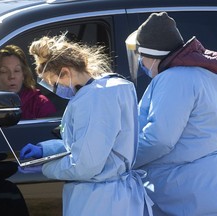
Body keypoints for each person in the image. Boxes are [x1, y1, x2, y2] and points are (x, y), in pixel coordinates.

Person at [125, 12, 217, 215]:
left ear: (152, 54)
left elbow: (160, 139)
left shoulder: (174, 79)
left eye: (141, 56)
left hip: (191, 188)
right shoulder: (199, 72)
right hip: (206, 185)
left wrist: (124, 161)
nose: (140, 62)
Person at [18, 33, 153, 216]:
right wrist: (46, 150)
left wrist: (45, 168)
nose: (57, 90)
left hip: (100, 201)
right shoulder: (111, 87)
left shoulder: (94, 99)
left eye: (55, 83)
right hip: (113, 197)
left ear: (66, 72)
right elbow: (94, 146)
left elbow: (86, 164)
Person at [0, 44, 57, 120]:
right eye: (4, 71)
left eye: (17, 71)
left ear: (23, 75)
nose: (12, 76)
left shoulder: (40, 104)